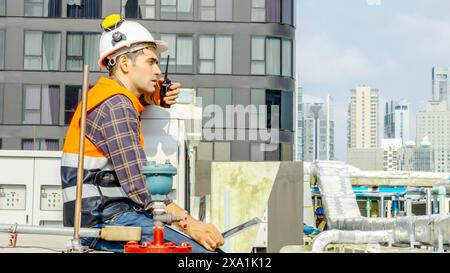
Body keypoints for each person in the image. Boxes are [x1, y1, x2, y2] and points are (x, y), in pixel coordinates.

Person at [61, 14, 224, 253]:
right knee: (201, 254)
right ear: (126, 63)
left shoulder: (109, 97)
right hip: (107, 220)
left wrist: (152, 96)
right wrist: (191, 225)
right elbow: (140, 187)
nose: (158, 71)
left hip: (105, 216)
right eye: (151, 62)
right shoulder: (117, 106)